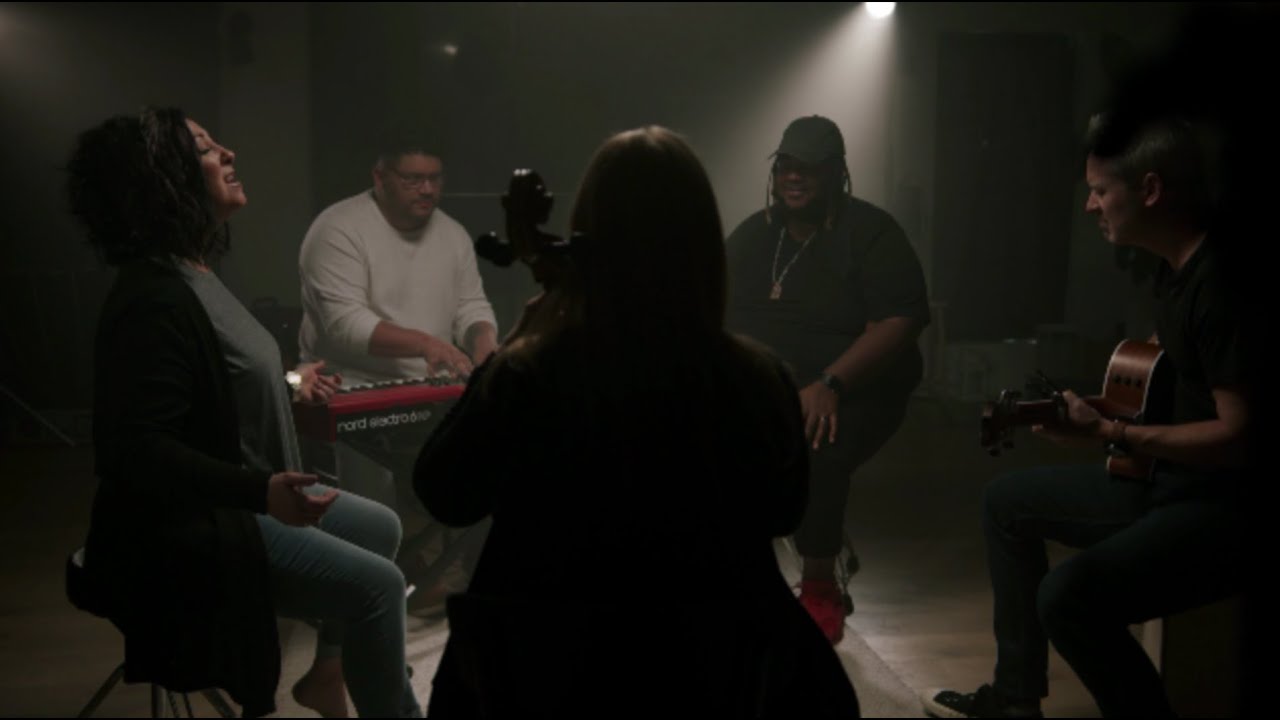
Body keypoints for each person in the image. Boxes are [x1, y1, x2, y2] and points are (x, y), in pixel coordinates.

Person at [413, 126, 861, 717]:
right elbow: (784, 513)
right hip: (710, 678)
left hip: (547, 678)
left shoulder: (531, 376)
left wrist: (512, 349)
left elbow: (445, 493)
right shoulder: (759, 379)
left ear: (585, 239)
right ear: (703, 246)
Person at [68, 106, 422, 718]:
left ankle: (329, 674)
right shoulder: (154, 299)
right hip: (203, 522)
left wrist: (292, 381)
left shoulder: (195, 273)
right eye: (205, 148)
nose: (228, 153)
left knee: (381, 527)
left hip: (244, 500)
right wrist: (259, 491)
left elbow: (221, 375)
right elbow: (136, 450)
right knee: (379, 585)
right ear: (163, 179)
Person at [920, 113, 1255, 718]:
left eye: (1100, 191)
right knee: (1006, 503)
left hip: (1221, 509)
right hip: (1165, 483)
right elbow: (1170, 390)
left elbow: (1239, 435)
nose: (1089, 205)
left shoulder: (1222, 286)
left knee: (1067, 596)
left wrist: (1113, 432)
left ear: (1150, 190)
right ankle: (1016, 701)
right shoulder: (1173, 271)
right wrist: (1091, 420)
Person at [725, 115, 931, 644]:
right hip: (771, 387)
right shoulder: (756, 234)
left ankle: (820, 586)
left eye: (809, 167)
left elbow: (900, 319)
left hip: (856, 387)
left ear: (837, 172)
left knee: (817, 444)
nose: (794, 176)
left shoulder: (871, 231)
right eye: (786, 165)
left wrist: (831, 383)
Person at [297, 131, 498, 608]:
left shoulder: (451, 233)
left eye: (435, 179)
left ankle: (458, 572)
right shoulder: (339, 228)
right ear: (380, 177)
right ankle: (378, 585)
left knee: (491, 457)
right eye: (412, 179)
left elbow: (471, 305)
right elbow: (344, 325)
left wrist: (486, 346)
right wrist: (426, 343)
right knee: (374, 491)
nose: (427, 190)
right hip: (351, 384)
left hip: (432, 384)